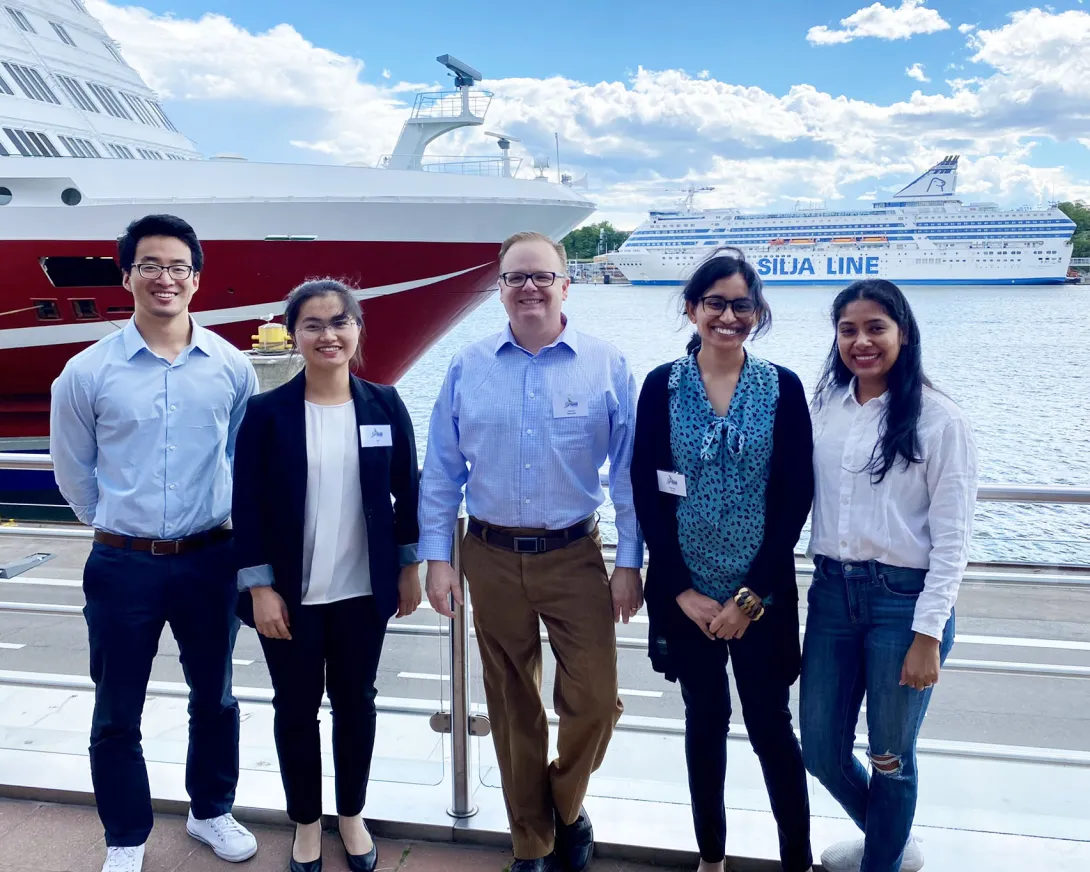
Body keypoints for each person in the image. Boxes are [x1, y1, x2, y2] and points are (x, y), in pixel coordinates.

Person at [418, 231, 644, 872]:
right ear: (500, 289)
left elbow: (627, 473)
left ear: (566, 284)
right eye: (516, 277)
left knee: (596, 701)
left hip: (576, 553)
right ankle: (534, 844)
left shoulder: (606, 364)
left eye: (542, 276)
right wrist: (439, 558)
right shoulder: (468, 364)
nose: (530, 288)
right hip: (487, 552)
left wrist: (630, 561)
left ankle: (564, 806)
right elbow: (440, 471)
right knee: (512, 702)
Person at [50, 214, 259, 872]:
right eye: (150, 265)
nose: (164, 277)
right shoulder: (85, 374)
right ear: (127, 276)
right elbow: (73, 474)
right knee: (117, 706)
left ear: (196, 280)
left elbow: (240, 459)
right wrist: (117, 526)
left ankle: (211, 811)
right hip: (122, 563)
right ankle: (125, 836)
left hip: (210, 559)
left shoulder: (231, 367)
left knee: (216, 695)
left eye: (178, 267)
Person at [631, 250, 814, 872]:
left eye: (741, 304)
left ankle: (796, 860)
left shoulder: (782, 386)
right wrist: (679, 590)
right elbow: (646, 490)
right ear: (692, 309)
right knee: (704, 725)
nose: (728, 315)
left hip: (758, 593)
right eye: (715, 303)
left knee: (770, 729)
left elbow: (794, 496)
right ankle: (711, 857)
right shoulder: (662, 386)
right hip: (686, 592)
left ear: (757, 314)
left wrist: (750, 595)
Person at [232, 280, 422, 872]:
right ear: (294, 335)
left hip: (364, 592)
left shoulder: (384, 404)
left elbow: (408, 493)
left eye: (340, 322)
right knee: (294, 708)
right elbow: (248, 504)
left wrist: (410, 565)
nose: (328, 334)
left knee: (357, 704)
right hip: (289, 596)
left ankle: (352, 814)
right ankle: (306, 823)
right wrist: (259, 587)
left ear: (358, 330)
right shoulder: (266, 414)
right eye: (312, 324)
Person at [800, 279, 978, 872]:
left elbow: (953, 540)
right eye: (848, 329)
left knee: (890, 755)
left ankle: (882, 860)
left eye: (876, 327)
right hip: (830, 595)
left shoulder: (939, 419)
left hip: (904, 605)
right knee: (820, 748)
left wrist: (928, 635)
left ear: (904, 332)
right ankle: (891, 841)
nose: (861, 341)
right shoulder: (824, 407)